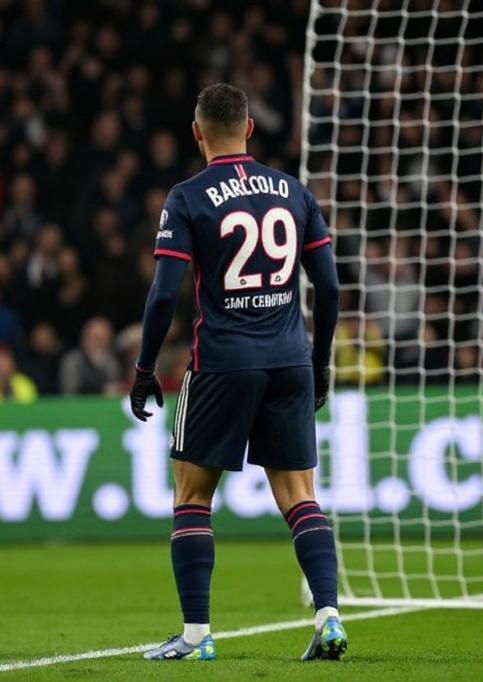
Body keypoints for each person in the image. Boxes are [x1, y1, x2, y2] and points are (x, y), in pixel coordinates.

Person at [129, 84, 343, 662]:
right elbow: (328, 287)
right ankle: (328, 616)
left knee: (192, 495)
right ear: (249, 128)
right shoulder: (293, 191)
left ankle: (196, 636)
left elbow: (163, 295)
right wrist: (319, 361)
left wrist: (145, 367)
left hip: (222, 363)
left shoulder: (187, 196)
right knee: (300, 497)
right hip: (290, 360)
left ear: (196, 132)